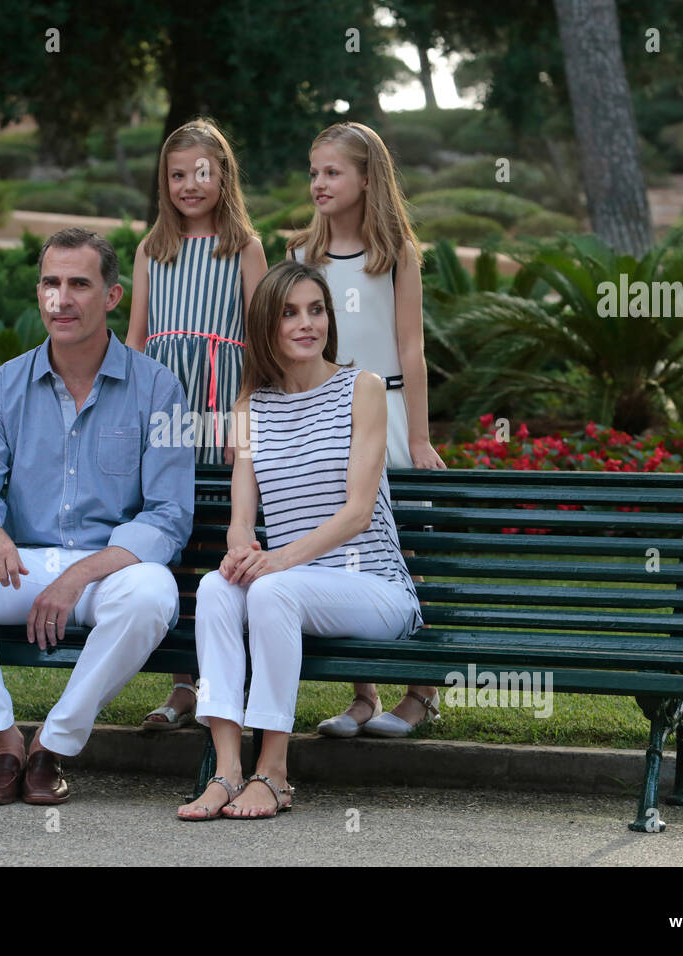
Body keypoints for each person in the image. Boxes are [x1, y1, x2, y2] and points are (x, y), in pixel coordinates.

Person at [0, 227, 194, 806]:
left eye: (79, 285)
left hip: (102, 577)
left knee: (152, 594)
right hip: (19, 572)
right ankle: (4, 742)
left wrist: (78, 576)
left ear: (112, 297)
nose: (60, 300)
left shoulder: (160, 387)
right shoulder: (1, 386)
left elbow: (169, 517)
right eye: (50, 283)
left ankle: (51, 748)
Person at [176, 261, 423, 820]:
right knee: (217, 590)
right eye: (289, 313)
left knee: (269, 592)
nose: (306, 323)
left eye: (316, 310)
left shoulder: (364, 389)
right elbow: (243, 518)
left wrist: (275, 563)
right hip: (293, 582)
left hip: (373, 587)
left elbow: (359, 513)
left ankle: (276, 771)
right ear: (267, 325)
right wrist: (242, 550)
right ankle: (226, 770)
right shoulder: (249, 407)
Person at [287, 121, 446, 739]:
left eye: (332, 172)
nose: (318, 183)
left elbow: (412, 349)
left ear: (366, 179)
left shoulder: (396, 256)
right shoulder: (302, 257)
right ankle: (364, 694)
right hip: (328, 421)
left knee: (409, 552)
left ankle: (421, 692)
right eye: (313, 171)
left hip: (394, 418)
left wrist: (423, 437)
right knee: (342, 550)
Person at [127, 118, 268, 732]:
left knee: (222, 538)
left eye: (201, 173)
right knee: (173, 541)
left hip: (225, 410)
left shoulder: (243, 248)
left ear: (223, 175)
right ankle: (182, 684)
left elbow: (261, 340)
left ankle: (227, 680)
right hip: (166, 412)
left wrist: (246, 415)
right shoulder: (151, 250)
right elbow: (134, 341)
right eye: (177, 174)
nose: (189, 184)